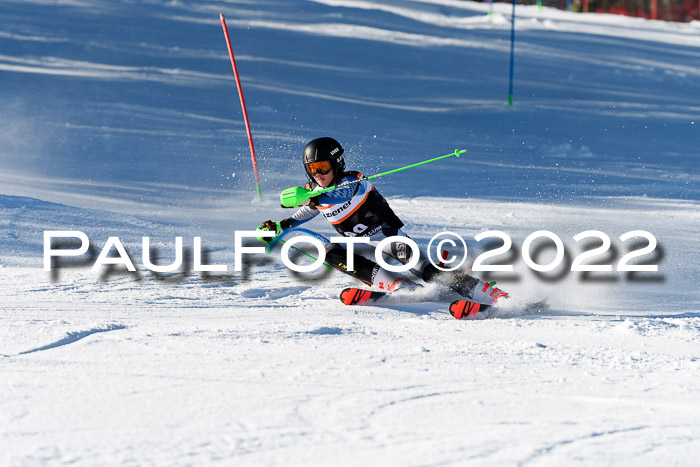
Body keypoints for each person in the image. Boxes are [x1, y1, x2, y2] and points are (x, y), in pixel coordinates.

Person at [257, 137, 507, 304]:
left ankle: (490, 293)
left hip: (388, 240)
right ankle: (399, 287)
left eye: (323, 166)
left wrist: (308, 198)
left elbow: (334, 197)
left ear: (336, 163)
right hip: (361, 248)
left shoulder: (353, 181)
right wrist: (282, 225)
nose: (318, 174)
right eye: (313, 169)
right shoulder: (314, 192)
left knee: (426, 271)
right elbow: (312, 210)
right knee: (328, 252)